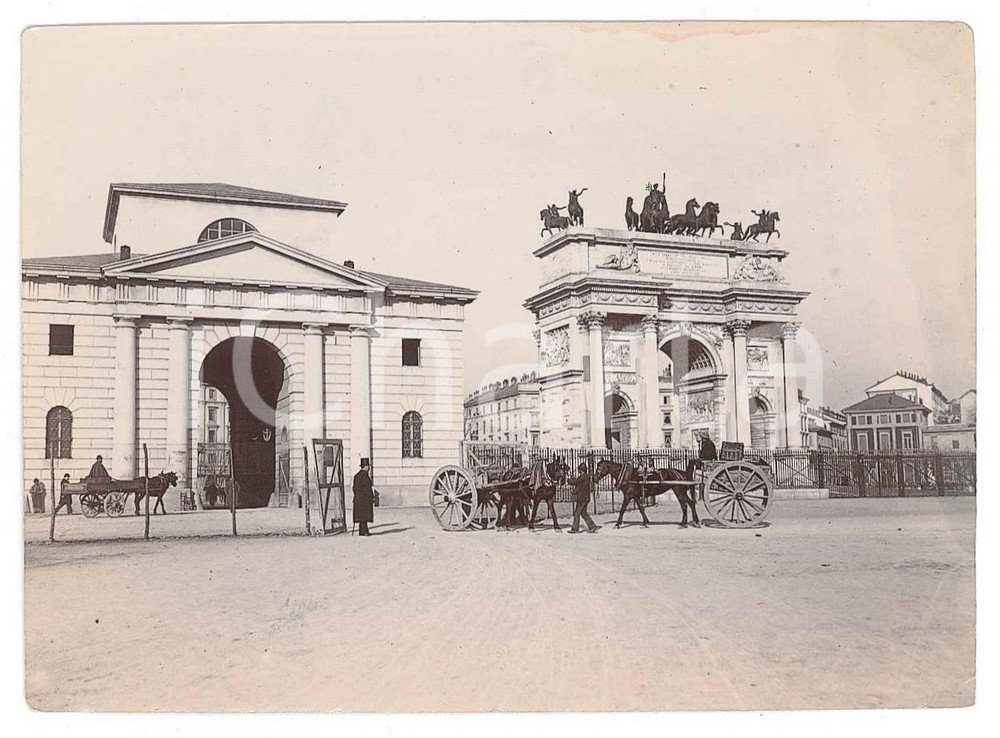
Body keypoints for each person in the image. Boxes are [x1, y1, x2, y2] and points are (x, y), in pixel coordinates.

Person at [569, 463, 599, 534]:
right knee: (584, 513)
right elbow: (578, 483)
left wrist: (569, 480)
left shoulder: (581, 477)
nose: (579, 471)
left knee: (577, 513)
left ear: (581, 470)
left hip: (581, 498)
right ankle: (592, 526)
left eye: (579, 470)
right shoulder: (587, 477)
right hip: (586, 498)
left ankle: (575, 529)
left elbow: (574, 482)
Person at [352, 458, 375, 537]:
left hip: (358, 499)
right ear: (365, 466)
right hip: (365, 499)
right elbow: (367, 488)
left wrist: (357, 495)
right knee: (364, 516)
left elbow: (354, 488)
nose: (369, 468)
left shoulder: (356, 476)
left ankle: (362, 531)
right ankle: (364, 531)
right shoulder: (365, 476)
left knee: (361, 516)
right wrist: (371, 497)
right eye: (368, 466)